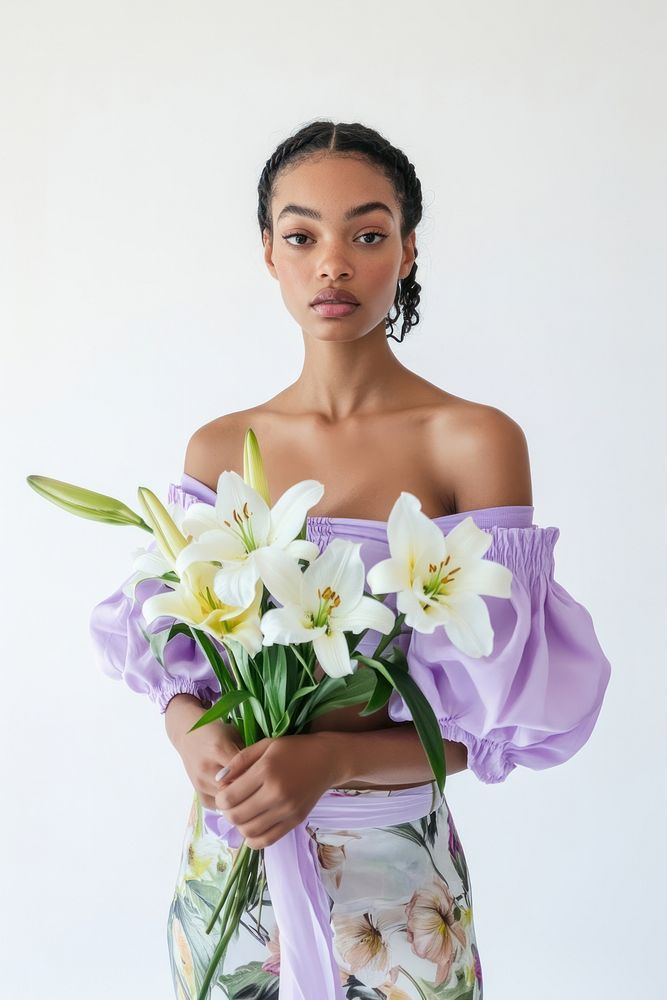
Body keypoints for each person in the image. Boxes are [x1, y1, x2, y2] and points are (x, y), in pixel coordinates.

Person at [89, 120, 612, 1000]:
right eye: (302, 236)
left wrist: (330, 762)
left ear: (407, 250)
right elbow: (174, 666)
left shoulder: (471, 441)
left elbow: (488, 728)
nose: (332, 263)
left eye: (366, 235)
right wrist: (195, 740)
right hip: (233, 869)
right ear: (269, 252)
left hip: (399, 886)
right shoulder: (222, 447)